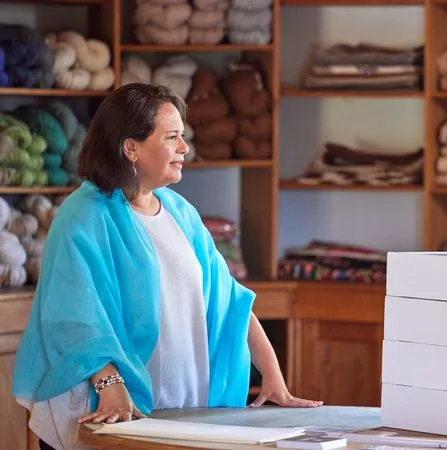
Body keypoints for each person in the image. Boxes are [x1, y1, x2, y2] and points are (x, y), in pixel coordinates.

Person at [11, 83, 322, 450]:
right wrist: (111, 389)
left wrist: (273, 379)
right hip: (105, 412)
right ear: (131, 148)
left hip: (180, 411)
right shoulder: (83, 216)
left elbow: (229, 301)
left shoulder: (179, 212)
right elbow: (72, 319)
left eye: (182, 137)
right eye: (172, 137)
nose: (184, 148)